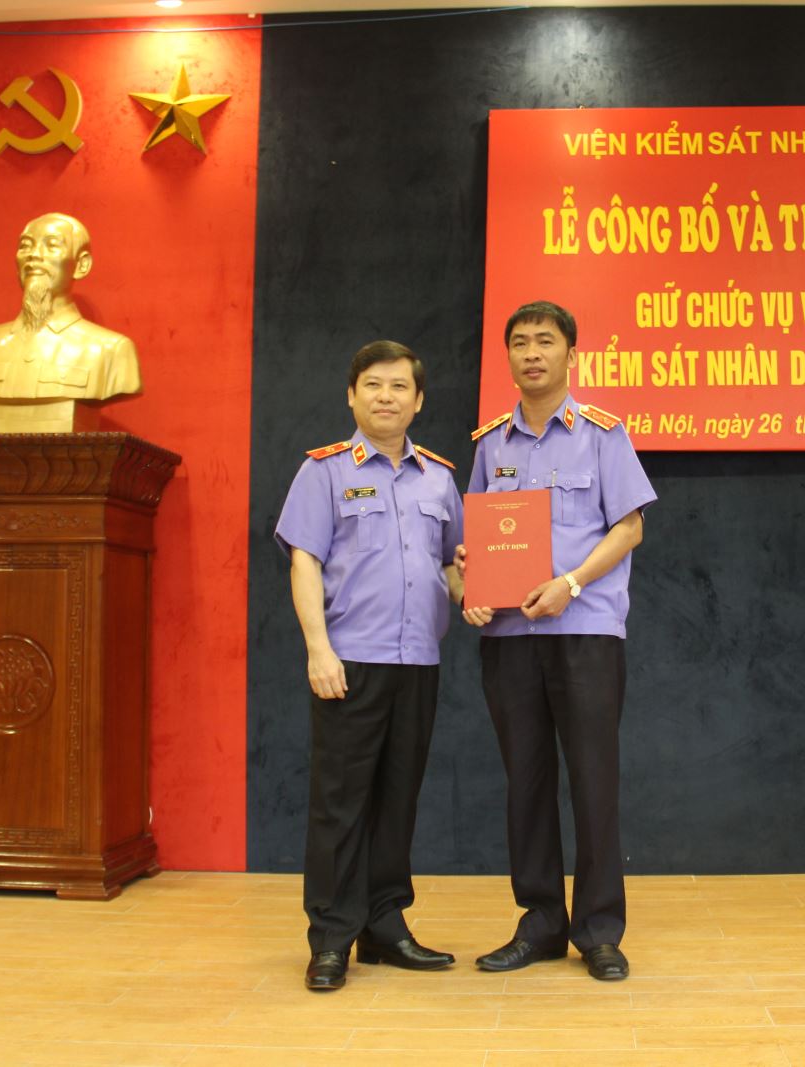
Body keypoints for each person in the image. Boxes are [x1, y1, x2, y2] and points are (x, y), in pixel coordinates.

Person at [460, 300, 656, 981]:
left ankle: (598, 929)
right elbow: (475, 540)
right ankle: (540, 921)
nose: (532, 353)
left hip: (585, 628)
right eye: (520, 343)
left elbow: (629, 527)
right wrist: (471, 582)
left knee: (593, 779)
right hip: (511, 634)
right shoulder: (491, 445)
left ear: (571, 354)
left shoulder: (603, 434)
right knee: (527, 781)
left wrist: (570, 583)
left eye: (545, 341)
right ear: (508, 357)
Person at [274, 340, 464, 992]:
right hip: (350, 660)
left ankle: (384, 926)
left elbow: (454, 565)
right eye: (374, 385)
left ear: (419, 400)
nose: (387, 396)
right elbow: (304, 561)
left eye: (399, 386)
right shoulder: (324, 471)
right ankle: (331, 938)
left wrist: (479, 591)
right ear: (351, 395)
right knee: (340, 804)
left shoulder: (439, 477)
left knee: (397, 799)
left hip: (418, 661)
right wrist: (317, 648)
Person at [0, 212, 141, 432]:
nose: (34, 255)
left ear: (81, 265)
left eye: (51, 246)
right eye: (25, 246)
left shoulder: (110, 350)